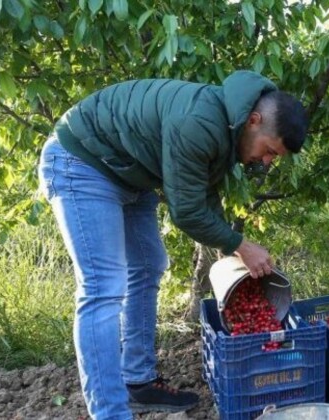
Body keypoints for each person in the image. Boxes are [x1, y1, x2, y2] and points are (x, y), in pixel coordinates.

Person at [37, 70, 309, 419]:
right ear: (254, 121)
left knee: (149, 264)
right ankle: (110, 413)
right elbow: (188, 212)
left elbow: (205, 199)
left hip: (129, 173)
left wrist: (235, 248)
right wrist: (241, 245)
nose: (266, 161)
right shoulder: (199, 121)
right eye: (269, 151)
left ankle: (137, 382)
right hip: (83, 162)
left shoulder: (227, 128)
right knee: (103, 287)